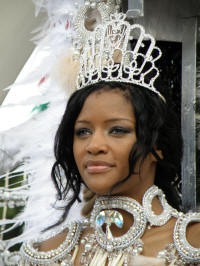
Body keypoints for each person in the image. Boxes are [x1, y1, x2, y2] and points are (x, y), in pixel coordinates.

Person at [18, 1, 200, 265]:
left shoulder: (191, 246)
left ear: (157, 145)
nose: (94, 145)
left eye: (117, 130)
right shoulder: (48, 253)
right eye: (82, 132)